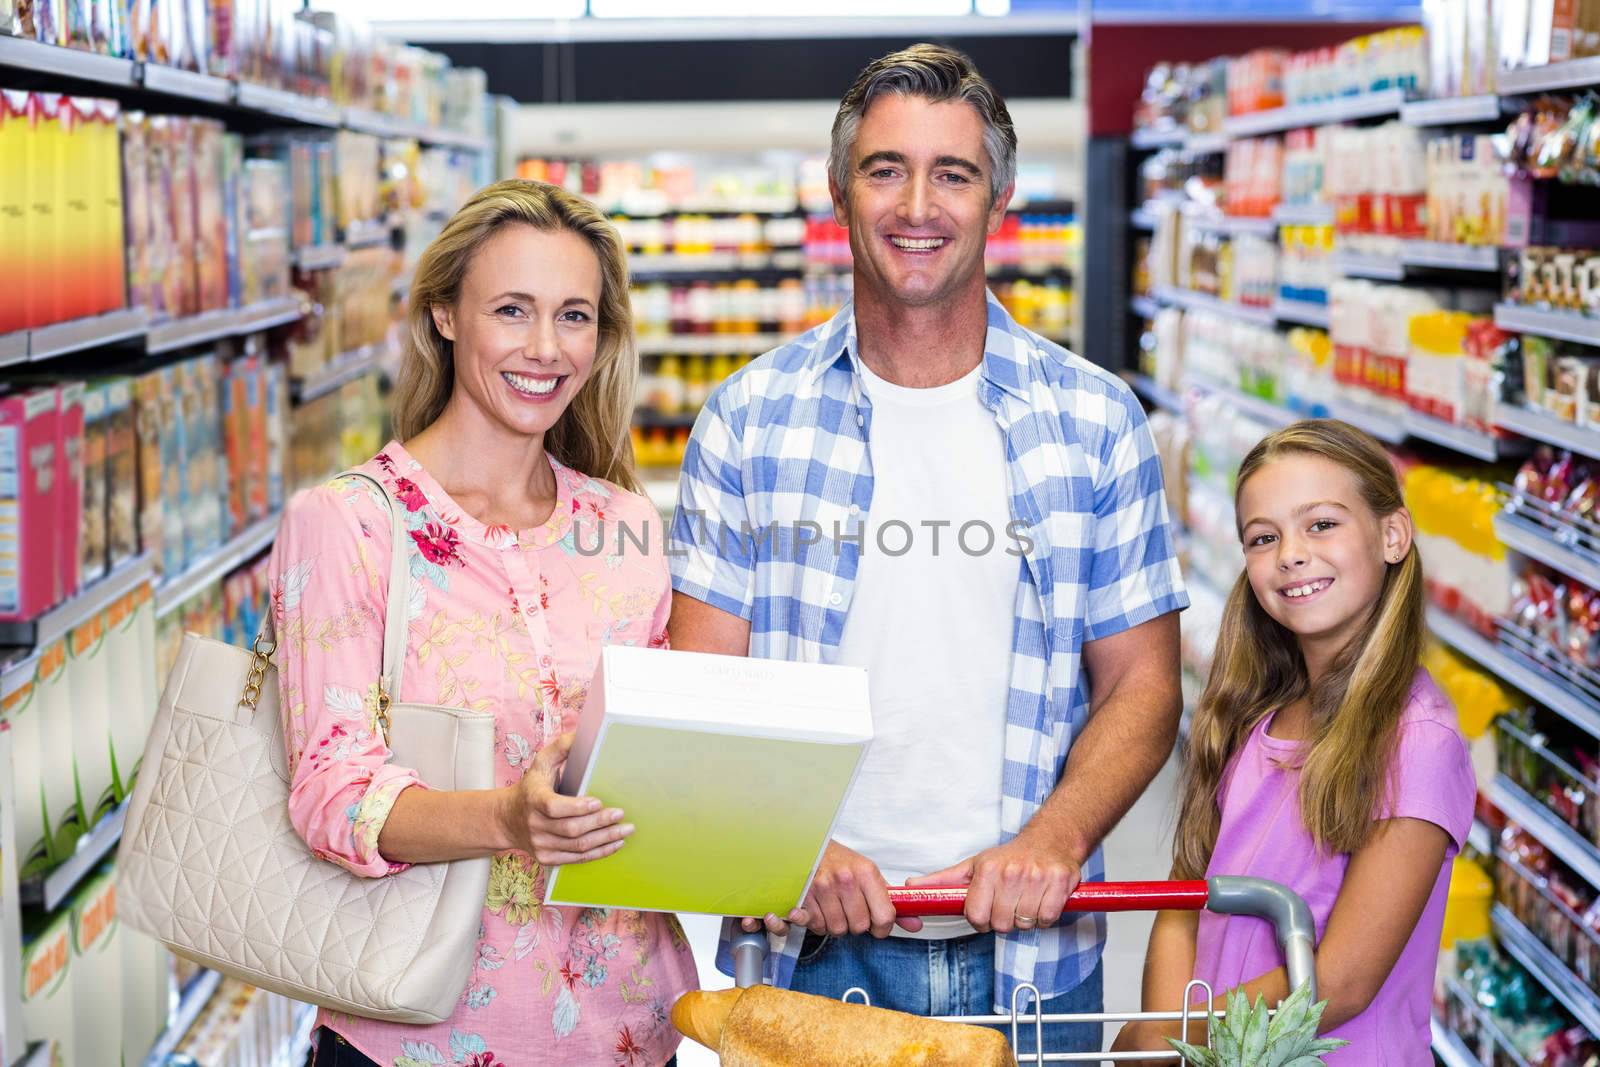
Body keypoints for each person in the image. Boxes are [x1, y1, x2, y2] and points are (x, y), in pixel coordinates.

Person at [667, 43, 1187, 1055]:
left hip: (1031, 954)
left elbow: (1142, 685)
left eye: (953, 173)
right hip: (807, 949)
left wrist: (1057, 835)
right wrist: (788, 841)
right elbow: (701, 681)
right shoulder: (746, 417)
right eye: (885, 168)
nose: (918, 204)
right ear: (838, 190)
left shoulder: (1094, 418)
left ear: (1000, 202)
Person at [268, 179, 696, 1067]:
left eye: (574, 316)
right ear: (444, 316)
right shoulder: (351, 522)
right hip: (417, 1032)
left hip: (630, 1029)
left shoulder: (625, 525)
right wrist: (508, 817)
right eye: (512, 310)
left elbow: (661, 760)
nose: (547, 349)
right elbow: (331, 794)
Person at [1110, 420, 1476, 1065]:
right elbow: (1185, 895)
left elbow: (1338, 984)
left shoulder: (1417, 743)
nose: (1291, 554)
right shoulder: (1251, 716)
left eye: (1322, 525)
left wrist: (1167, 1036)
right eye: (1264, 537)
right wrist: (1166, 1034)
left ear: (1393, 535)